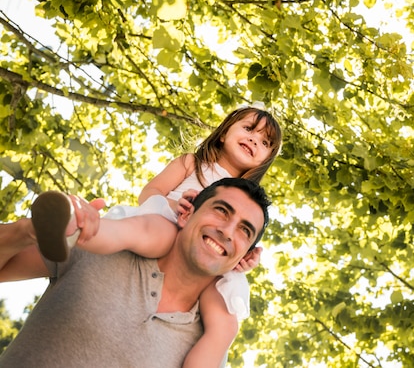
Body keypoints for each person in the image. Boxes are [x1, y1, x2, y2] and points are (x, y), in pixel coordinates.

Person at [9, 105, 282, 367]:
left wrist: (243, 262)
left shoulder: (251, 201)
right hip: (168, 221)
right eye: (248, 128)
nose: (254, 140)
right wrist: (177, 207)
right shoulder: (192, 163)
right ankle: (82, 230)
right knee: (143, 230)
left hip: (211, 266)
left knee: (225, 322)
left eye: (265, 142)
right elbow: (151, 193)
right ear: (223, 133)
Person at [0, 178, 271, 367]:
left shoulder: (210, 345)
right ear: (186, 215)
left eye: (244, 230)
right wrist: (26, 231)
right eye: (222, 211)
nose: (227, 231)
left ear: (244, 257)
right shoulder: (97, 249)